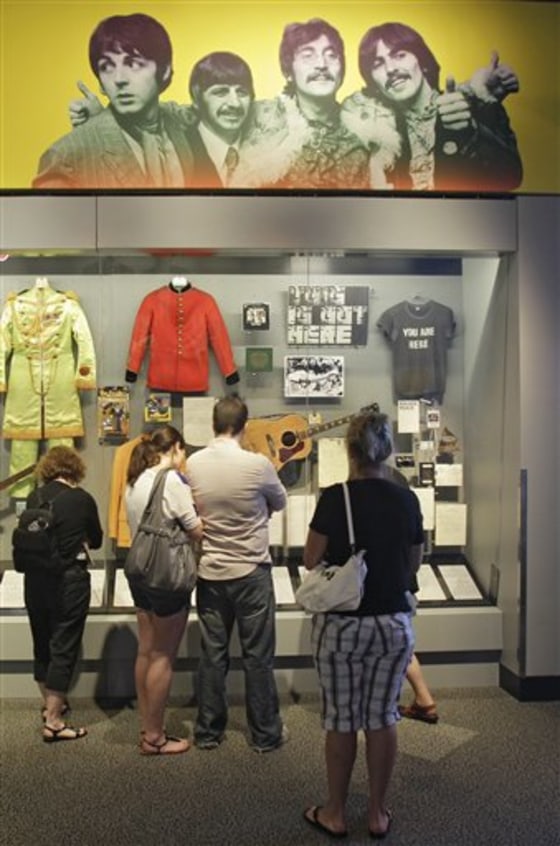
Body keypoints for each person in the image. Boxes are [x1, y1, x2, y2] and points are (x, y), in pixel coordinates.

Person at [302, 411, 423, 838]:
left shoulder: (336, 498)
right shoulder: (407, 500)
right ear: (387, 450)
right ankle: (376, 812)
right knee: (382, 715)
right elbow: (413, 564)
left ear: (350, 452)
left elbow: (311, 559)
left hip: (342, 627)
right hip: (392, 623)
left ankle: (334, 811)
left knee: (340, 718)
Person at [185, 396, 287, 751]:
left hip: (211, 572)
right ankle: (265, 734)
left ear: (213, 424)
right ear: (246, 426)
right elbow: (279, 502)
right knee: (258, 656)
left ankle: (208, 732)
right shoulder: (258, 465)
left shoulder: (193, 463)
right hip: (252, 570)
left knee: (213, 655)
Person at [341, 22, 523, 192]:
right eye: (377, 63)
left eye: (399, 55)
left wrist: (471, 130)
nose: (390, 69)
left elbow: (511, 177)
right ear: (373, 81)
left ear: (421, 59)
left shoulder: (471, 105)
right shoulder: (379, 129)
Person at [33, 13, 194, 189]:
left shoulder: (183, 125)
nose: (118, 79)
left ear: (164, 72)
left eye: (133, 63)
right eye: (107, 67)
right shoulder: (66, 157)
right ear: (101, 82)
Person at [125, 426, 203, 755]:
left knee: (145, 650)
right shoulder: (171, 480)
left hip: (139, 571)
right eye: (183, 453)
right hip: (167, 576)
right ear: (176, 448)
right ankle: (155, 737)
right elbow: (195, 529)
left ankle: (147, 725)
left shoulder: (136, 479)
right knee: (162, 655)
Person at [22, 446, 103, 742]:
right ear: (74, 470)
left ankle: (50, 705)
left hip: (34, 581)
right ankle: (54, 722)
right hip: (69, 580)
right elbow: (95, 540)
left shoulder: (35, 497)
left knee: (42, 643)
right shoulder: (82, 499)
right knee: (64, 646)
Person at [232, 18, 370, 189]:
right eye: (308, 56)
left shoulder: (365, 130)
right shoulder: (259, 117)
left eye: (331, 55)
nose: (321, 65)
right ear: (288, 71)